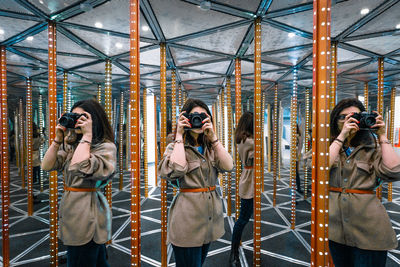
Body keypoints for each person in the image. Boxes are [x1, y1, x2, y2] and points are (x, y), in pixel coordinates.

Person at [158, 98, 233, 267]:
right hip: (187, 222)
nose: (198, 120)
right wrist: (179, 135)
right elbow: (176, 169)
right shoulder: (176, 146)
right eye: (193, 116)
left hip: (209, 221)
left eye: (202, 116)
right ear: (185, 118)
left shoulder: (210, 147)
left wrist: (213, 138)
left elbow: (228, 166)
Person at [41, 99, 116, 267]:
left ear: (94, 120)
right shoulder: (71, 144)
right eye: (75, 116)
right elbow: (46, 166)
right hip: (71, 208)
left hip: (87, 210)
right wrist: (57, 140)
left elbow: (78, 166)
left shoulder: (105, 146)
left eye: (82, 117)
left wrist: (87, 136)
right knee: (95, 259)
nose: (77, 121)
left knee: (84, 256)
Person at [328, 98, 400, 267]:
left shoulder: (372, 147)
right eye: (343, 117)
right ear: (335, 121)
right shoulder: (327, 146)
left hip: (369, 231)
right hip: (336, 231)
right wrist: (341, 137)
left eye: (354, 116)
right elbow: (318, 168)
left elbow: (394, 171)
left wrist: (382, 135)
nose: (349, 120)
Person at [229, 112, 254, 267]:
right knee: (243, 218)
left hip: (247, 178)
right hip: (250, 181)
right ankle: (233, 251)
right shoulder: (250, 142)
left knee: (243, 217)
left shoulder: (241, 139)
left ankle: (234, 249)